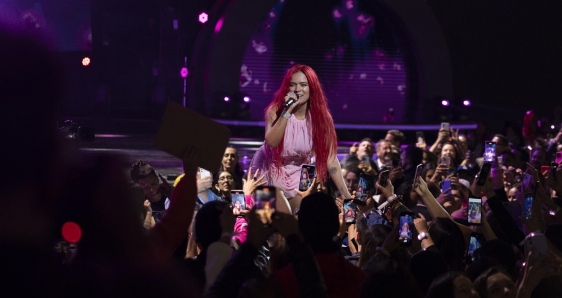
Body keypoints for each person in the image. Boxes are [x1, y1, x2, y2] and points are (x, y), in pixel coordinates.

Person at [261, 64, 353, 211]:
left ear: (312, 87)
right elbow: (271, 142)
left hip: (301, 175)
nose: (297, 90)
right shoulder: (275, 111)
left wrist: (345, 194)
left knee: (301, 225)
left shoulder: (322, 118)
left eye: (303, 85)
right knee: (271, 225)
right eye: (293, 85)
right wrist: (287, 111)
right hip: (269, 172)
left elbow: (331, 158)